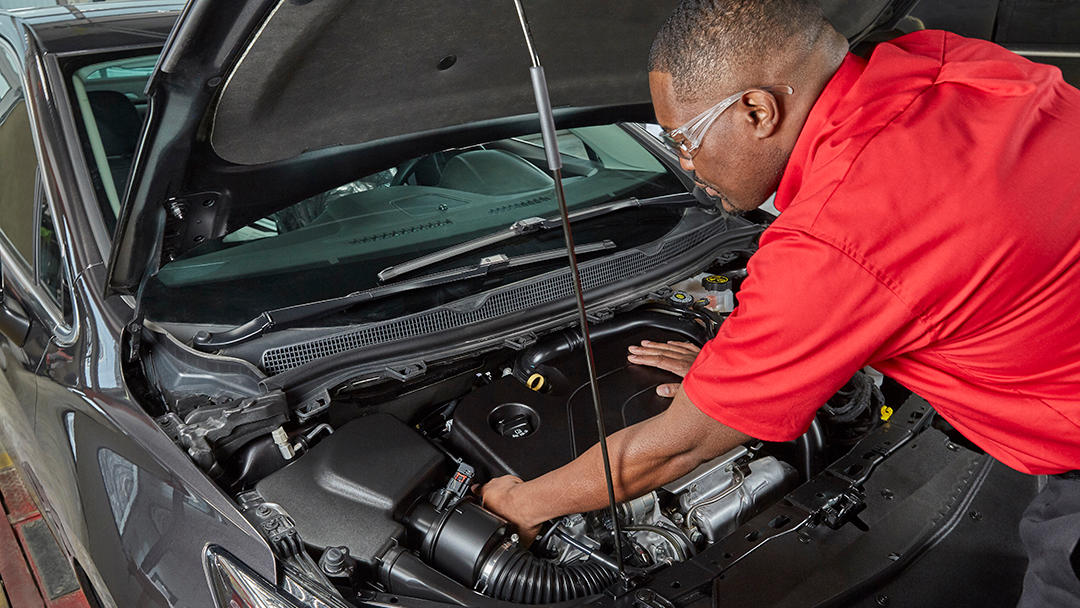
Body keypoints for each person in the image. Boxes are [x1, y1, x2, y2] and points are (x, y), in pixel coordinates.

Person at [479, 0, 1080, 605]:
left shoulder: (837, 233)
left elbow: (681, 445)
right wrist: (749, 370)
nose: (686, 164)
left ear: (757, 111)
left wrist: (520, 503)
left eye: (683, 140)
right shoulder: (944, 60)